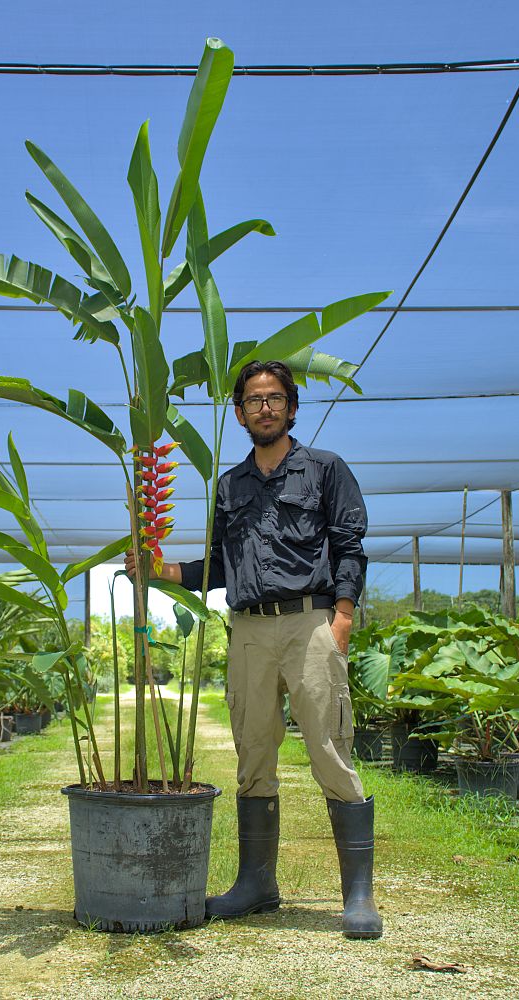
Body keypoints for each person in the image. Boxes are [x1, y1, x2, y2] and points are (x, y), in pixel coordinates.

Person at [125, 359, 382, 939]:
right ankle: (257, 883)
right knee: (253, 753)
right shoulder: (229, 485)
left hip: (310, 622)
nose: (263, 407)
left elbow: (349, 544)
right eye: (252, 400)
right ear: (239, 412)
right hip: (248, 629)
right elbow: (219, 566)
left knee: (328, 747)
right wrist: (160, 570)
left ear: (291, 407)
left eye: (274, 398)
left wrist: (342, 615)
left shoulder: (325, 469)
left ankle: (357, 895)